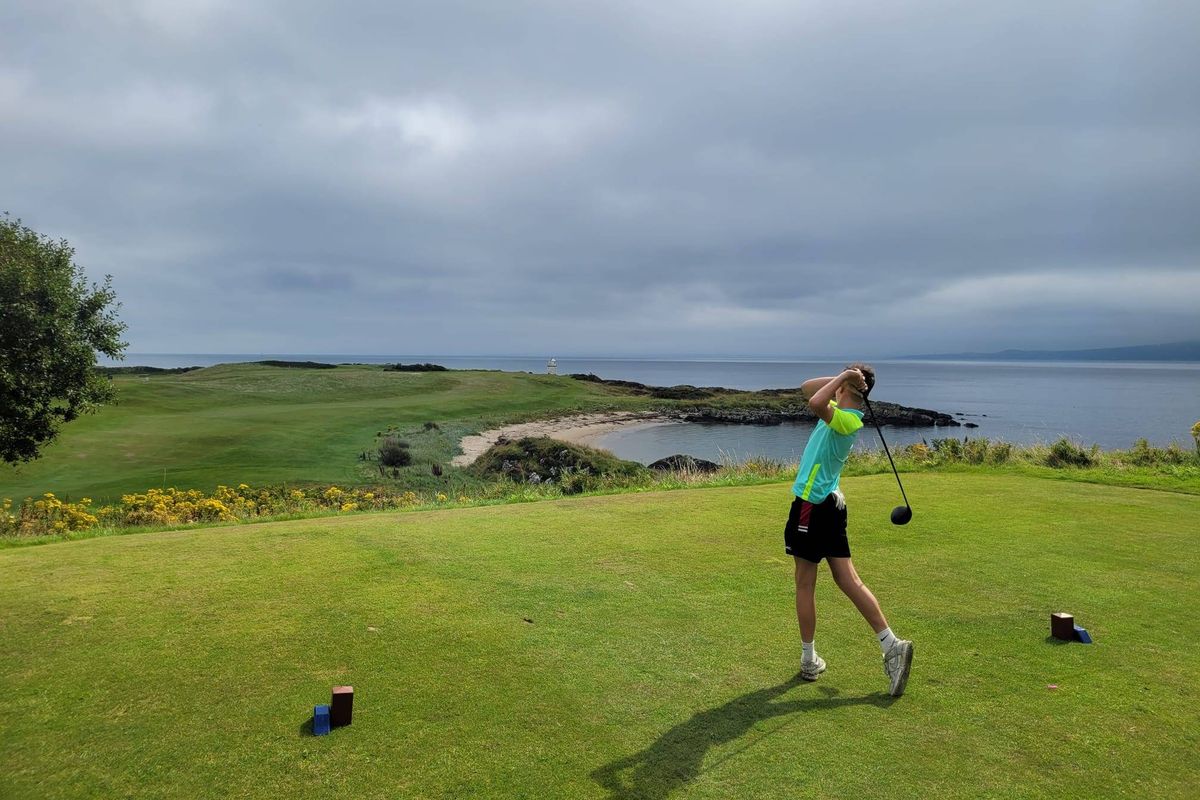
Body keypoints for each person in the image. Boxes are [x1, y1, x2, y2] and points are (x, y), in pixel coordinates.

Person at [786, 363, 913, 697]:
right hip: (830, 504)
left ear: (848, 391)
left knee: (804, 583)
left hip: (811, 506)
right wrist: (844, 376)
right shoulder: (846, 415)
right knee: (848, 580)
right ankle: (891, 645)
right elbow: (806, 387)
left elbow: (814, 401)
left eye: (842, 384)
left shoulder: (844, 419)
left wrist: (844, 379)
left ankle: (808, 659)